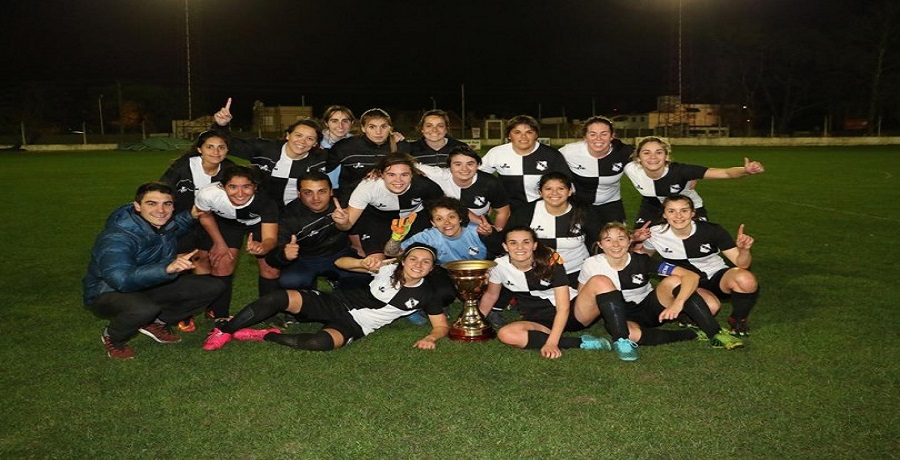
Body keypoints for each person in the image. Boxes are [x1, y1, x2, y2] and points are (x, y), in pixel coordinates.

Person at [201, 243, 452, 352]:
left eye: (425, 262)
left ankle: (266, 335)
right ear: (404, 260)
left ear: (432, 268)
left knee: (318, 344)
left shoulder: (427, 293)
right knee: (279, 297)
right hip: (337, 301)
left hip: (357, 325)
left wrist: (431, 337)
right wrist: (362, 262)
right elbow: (339, 262)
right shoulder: (387, 267)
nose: (418, 265)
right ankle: (226, 329)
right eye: (414, 259)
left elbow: (441, 325)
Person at [83, 182, 224, 359]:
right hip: (107, 292)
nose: (161, 210)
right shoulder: (117, 238)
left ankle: (156, 323)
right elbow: (120, 280)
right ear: (137, 206)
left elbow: (172, 229)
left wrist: (191, 215)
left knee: (212, 286)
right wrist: (166, 269)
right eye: (152, 203)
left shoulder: (159, 226)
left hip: (146, 283)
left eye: (167, 204)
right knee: (144, 309)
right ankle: (114, 337)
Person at [477, 225, 639, 361]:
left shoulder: (550, 260)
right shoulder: (499, 265)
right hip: (539, 321)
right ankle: (582, 342)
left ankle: (622, 340)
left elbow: (563, 308)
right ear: (505, 247)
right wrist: (476, 322)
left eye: (526, 242)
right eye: (513, 243)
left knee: (600, 281)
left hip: (573, 313)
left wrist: (552, 343)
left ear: (534, 245)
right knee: (506, 334)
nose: (520, 247)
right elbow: (491, 295)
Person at [580, 222, 744, 350]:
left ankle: (715, 332)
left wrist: (678, 303)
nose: (615, 244)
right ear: (600, 244)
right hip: (620, 314)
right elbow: (584, 296)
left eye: (621, 239)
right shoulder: (591, 264)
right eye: (608, 240)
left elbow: (690, 276)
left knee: (675, 280)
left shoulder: (642, 260)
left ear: (630, 241)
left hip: (650, 309)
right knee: (631, 335)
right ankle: (691, 334)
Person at [634, 195, 760, 336]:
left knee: (746, 279)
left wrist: (744, 251)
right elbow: (640, 258)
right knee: (710, 307)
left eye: (684, 210)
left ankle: (737, 320)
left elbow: (742, 263)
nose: (678, 216)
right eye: (671, 211)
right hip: (686, 282)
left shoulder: (712, 230)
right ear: (664, 214)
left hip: (716, 278)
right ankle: (685, 314)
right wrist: (636, 241)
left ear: (693, 213)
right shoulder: (655, 234)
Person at [159, 129, 238, 331]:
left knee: (218, 260)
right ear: (199, 149)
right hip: (185, 221)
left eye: (221, 147)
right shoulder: (183, 167)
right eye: (210, 147)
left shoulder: (230, 170)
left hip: (217, 222)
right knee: (188, 261)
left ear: (227, 150)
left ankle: (217, 309)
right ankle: (185, 311)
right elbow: (163, 190)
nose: (216, 151)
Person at [193, 165, 280, 321]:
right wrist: (219, 243)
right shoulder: (208, 194)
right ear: (222, 186)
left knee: (270, 268)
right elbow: (204, 216)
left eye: (246, 187)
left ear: (255, 187)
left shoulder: (266, 201)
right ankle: (220, 316)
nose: (240, 193)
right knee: (222, 262)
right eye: (232, 187)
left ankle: (269, 313)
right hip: (227, 224)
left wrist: (262, 247)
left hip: (257, 224)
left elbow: (270, 238)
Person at [624, 136, 766, 227]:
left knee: (696, 244)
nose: (653, 157)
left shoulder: (681, 171)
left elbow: (725, 172)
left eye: (659, 152)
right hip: (652, 207)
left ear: (667, 156)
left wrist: (745, 170)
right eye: (646, 152)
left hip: (689, 207)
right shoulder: (631, 168)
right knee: (638, 246)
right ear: (638, 158)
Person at [212, 98, 329, 208]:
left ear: (315, 144)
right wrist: (221, 126)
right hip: (259, 211)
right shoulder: (265, 148)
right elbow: (228, 145)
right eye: (298, 135)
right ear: (288, 135)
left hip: (293, 214)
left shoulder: (320, 159)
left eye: (310, 138)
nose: (302, 141)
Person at [265, 171, 370, 291]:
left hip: (341, 253)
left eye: (322, 191)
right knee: (290, 281)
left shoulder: (345, 203)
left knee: (366, 275)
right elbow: (271, 258)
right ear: (299, 194)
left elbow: (368, 187)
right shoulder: (288, 217)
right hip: (306, 259)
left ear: (331, 191)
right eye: (308, 192)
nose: (316, 198)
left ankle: (341, 290)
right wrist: (284, 255)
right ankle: (310, 294)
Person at [331, 153, 444, 256]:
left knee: (416, 255)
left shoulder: (426, 186)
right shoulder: (368, 187)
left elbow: (441, 210)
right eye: (391, 175)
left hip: (414, 218)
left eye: (404, 175)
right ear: (381, 174)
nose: (398, 180)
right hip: (379, 219)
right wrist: (342, 222)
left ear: (412, 175)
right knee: (377, 260)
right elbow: (347, 225)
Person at [507, 172, 602, 287]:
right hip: (536, 272)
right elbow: (507, 240)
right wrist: (489, 234)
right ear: (540, 192)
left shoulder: (583, 212)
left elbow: (599, 241)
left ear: (570, 191)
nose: (554, 193)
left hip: (577, 273)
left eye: (561, 188)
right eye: (548, 189)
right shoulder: (525, 212)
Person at [479, 115, 572, 213]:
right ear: (509, 135)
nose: (523, 136)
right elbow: (479, 176)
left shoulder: (552, 155)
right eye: (517, 132)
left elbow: (566, 183)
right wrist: (488, 200)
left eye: (529, 132)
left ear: (536, 135)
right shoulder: (496, 153)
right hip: (510, 211)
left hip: (543, 209)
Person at [415, 145, 511, 233]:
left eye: (470, 164)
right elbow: (409, 164)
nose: (464, 169)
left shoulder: (490, 182)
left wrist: (495, 232)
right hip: (447, 224)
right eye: (457, 164)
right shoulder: (439, 175)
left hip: (478, 224)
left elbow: (503, 211)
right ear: (449, 166)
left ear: (478, 165)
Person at [559, 116, 633, 226]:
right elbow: (550, 163)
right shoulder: (569, 152)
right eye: (592, 134)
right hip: (581, 205)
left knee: (617, 239)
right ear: (585, 137)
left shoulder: (624, 152)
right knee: (586, 241)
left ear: (612, 136)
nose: (598, 138)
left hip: (611, 205)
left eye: (604, 134)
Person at [327, 108, 411, 205]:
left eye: (383, 126)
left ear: (390, 128)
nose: (378, 132)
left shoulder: (401, 146)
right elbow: (322, 170)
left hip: (389, 204)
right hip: (352, 203)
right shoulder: (345, 147)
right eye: (372, 127)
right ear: (363, 128)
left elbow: (410, 174)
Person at [319, 105, 356, 190]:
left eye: (345, 121)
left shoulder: (358, 144)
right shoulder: (316, 143)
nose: (340, 125)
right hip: (322, 192)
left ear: (352, 123)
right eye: (334, 121)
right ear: (326, 123)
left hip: (349, 192)